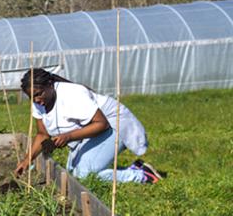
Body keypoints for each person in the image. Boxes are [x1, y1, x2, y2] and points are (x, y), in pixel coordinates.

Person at [14, 68, 162, 183]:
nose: (36, 100)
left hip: (114, 125)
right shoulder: (39, 102)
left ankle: (142, 175)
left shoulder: (72, 95)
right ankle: (135, 168)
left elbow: (101, 124)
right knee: (72, 173)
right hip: (92, 129)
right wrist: (28, 160)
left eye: (39, 94)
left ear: (49, 85)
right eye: (32, 97)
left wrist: (68, 136)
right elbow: (42, 134)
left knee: (84, 176)